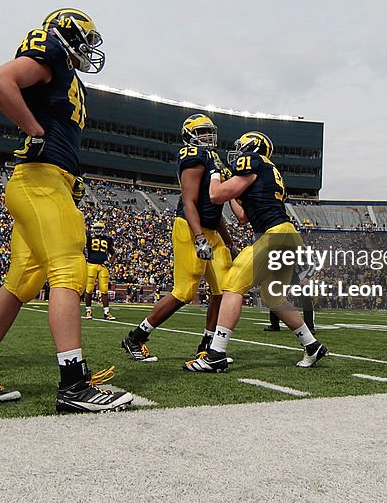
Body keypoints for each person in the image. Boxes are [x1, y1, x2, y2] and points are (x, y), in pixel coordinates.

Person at [0, 9, 132, 412]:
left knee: (21, 284)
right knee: (69, 270)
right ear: (68, 34)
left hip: (50, 181)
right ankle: (74, 384)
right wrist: (34, 130)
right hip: (39, 180)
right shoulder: (48, 50)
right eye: (86, 39)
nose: (91, 49)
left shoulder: (67, 76)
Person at [186, 131, 327, 372]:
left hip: (273, 236)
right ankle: (311, 344)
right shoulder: (269, 170)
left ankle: (216, 353)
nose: (238, 150)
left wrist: (216, 175)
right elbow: (242, 217)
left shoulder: (253, 161)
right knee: (273, 296)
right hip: (287, 235)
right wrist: (234, 194)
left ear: (252, 146)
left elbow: (215, 194)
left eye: (242, 146)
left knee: (232, 285)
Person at [121, 114, 238, 363]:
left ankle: (207, 344)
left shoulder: (213, 158)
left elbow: (215, 211)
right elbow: (189, 201)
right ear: (189, 135)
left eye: (209, 131)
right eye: (202, 132)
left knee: (224, 289)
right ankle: (136, 338)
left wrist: (228, 242)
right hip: (190, 227)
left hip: (211, 229)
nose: (207, 136)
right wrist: (198, 237)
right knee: (184, 292)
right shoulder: (193, 156)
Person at [83, 221, 116, 320]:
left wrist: (109, 262)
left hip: (103, 266)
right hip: (91, 265)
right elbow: (82, 249)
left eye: (99, 228)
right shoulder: (88, 239)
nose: (97, 230)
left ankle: (106, 312)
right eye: (96, 228)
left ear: (103, 229)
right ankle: (88, 311)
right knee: (89, 289)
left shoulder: (107, 239)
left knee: (104, 290)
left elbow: (113, 253)